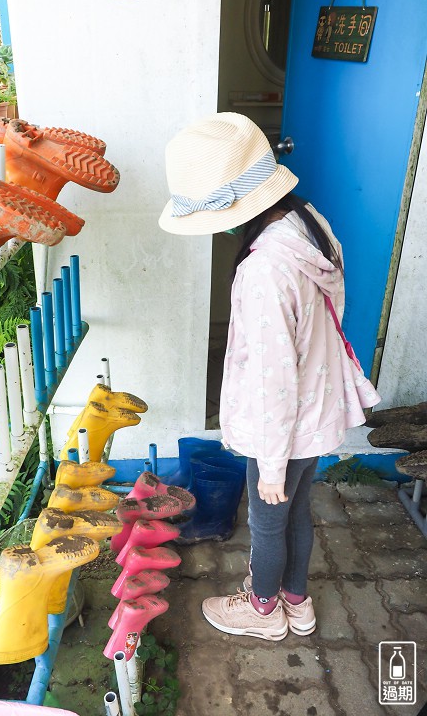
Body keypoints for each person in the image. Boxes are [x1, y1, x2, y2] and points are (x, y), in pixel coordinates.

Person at [158, 113, 380, 641]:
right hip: (317, 406)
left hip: (282, 425)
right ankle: (297, 602)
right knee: (298, 509)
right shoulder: (306, 224)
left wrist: (271, 464)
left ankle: (262, 610)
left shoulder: (263, 273)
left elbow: (272, 381)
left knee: (267, 518)